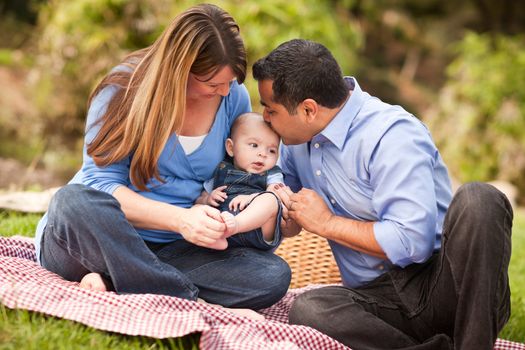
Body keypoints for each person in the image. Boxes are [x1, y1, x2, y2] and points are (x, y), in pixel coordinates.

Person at [34, 4, 291, 318]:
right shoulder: (121, 91)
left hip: (176, 248)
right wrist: (181, 220)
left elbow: (237, 171)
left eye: (229, 82)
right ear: (179, 70)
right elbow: (100, 185)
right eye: (212, 85)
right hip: (102, 235)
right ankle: (183, 298)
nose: (225, 92)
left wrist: (246, 210)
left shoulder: (232, 96)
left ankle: (119, 280)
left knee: (271, 275)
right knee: (71, 202)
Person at [253, 39, 512, 349]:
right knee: (310, 308)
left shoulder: (391, 134)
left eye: (271, 109)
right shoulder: (297, 141)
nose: (265, 118)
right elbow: (274, 183)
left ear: (309, 109)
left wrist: (326, 223)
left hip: (445, 286)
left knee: (479, 198)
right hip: (377, 301)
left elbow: (411, 241)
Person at [196, 112, 283, 250]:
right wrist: (207, 199)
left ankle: (236, 225)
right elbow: (200, 198)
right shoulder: (222, 168)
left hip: (258, 231)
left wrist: (252, 198)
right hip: (223, 227)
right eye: (254, 145)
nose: (263, 154)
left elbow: (277, 195)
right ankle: (218, 239)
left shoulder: (272, 173)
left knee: (270, 199)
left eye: (272, 150)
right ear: (231, 148)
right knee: (199, 210)